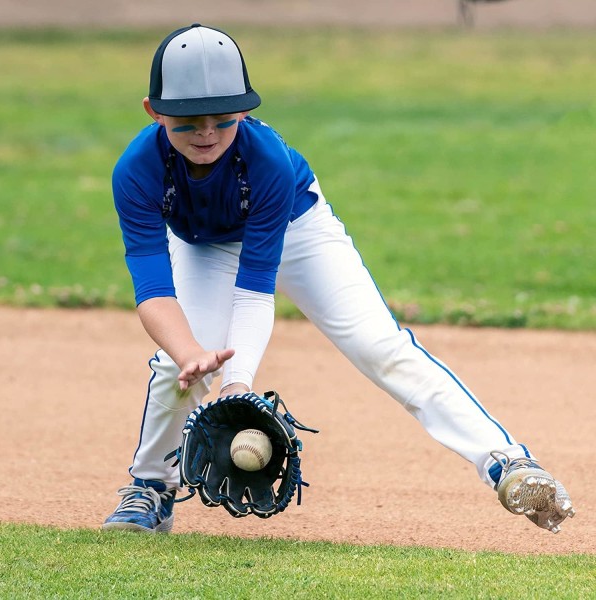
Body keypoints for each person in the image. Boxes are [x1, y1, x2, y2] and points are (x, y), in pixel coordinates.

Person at [103, 23, 575, 534]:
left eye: (224, 117)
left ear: (246, 110)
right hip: (204, 247)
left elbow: (257, 287)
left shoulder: (266, 162)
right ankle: (150, 487)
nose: (207, 132)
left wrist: (237, 384)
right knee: (176, 368)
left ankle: (506, 463)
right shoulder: (136, 170)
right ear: (154, 112)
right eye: (189, 121)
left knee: (379, 346)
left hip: (296, 226)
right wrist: (192, 354)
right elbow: (153, 291)